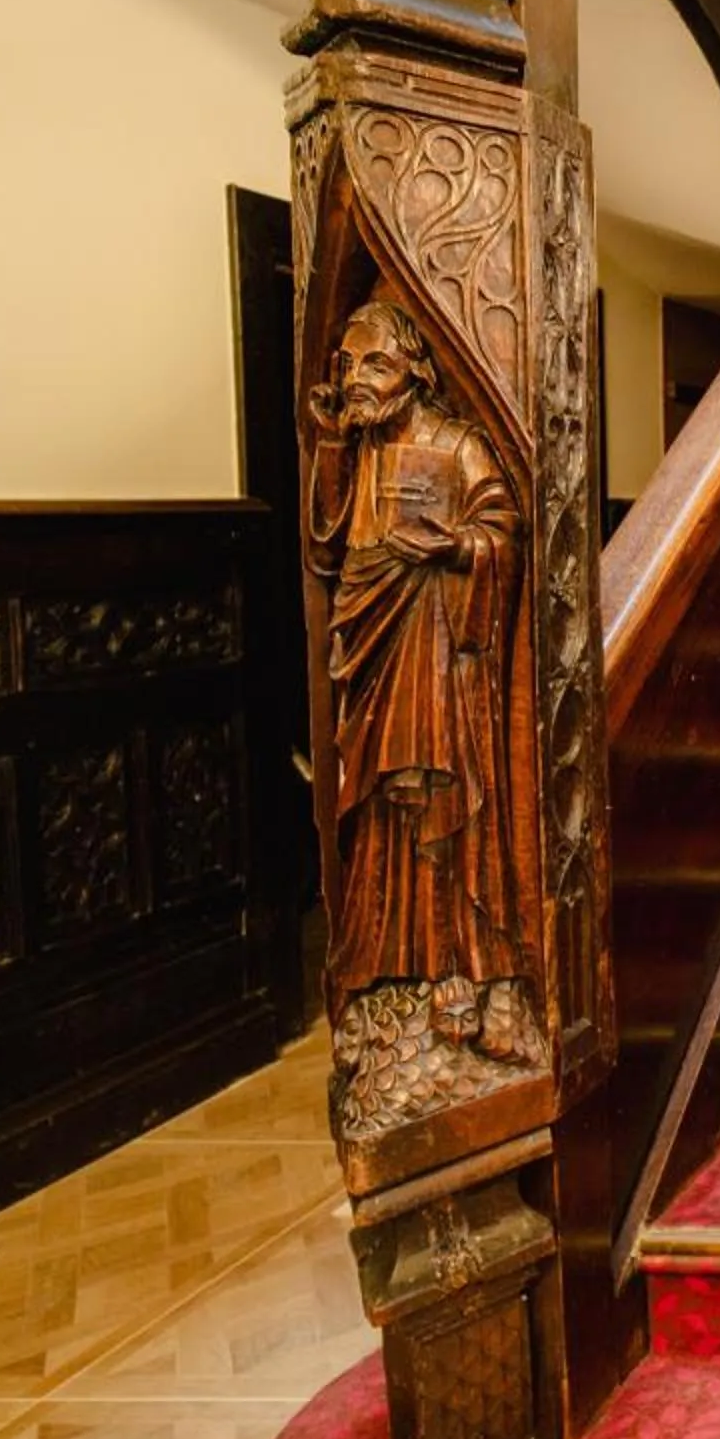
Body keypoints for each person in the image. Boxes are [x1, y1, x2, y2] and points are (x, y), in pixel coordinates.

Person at [303, 298, 538, 1115]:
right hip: (372, 652)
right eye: (345, 365)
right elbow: (327, 541)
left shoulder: (456, 441)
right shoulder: (361, 447)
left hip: (441, 652)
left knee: (445, 806)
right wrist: (332, 440)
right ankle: (385, 970)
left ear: (414, 369)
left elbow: (502, 526)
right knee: (379, 818)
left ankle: (466, 968)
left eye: (372, 364)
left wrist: (456, 549)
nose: (355, 380)